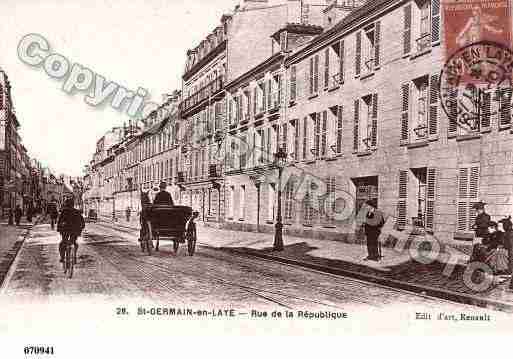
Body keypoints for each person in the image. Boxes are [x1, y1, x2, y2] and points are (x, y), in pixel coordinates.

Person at [57, 197, 85, 264]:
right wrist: (80, 228)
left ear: (66, 204)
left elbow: (59, 222)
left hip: (65, 230)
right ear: (73, 205)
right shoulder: (77, 212)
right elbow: (83, 223)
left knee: (63, 242)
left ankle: (62, 257)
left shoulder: (64, 211)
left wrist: (59, 229)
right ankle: (74, 256)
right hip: (75, 230)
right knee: (74, 242)